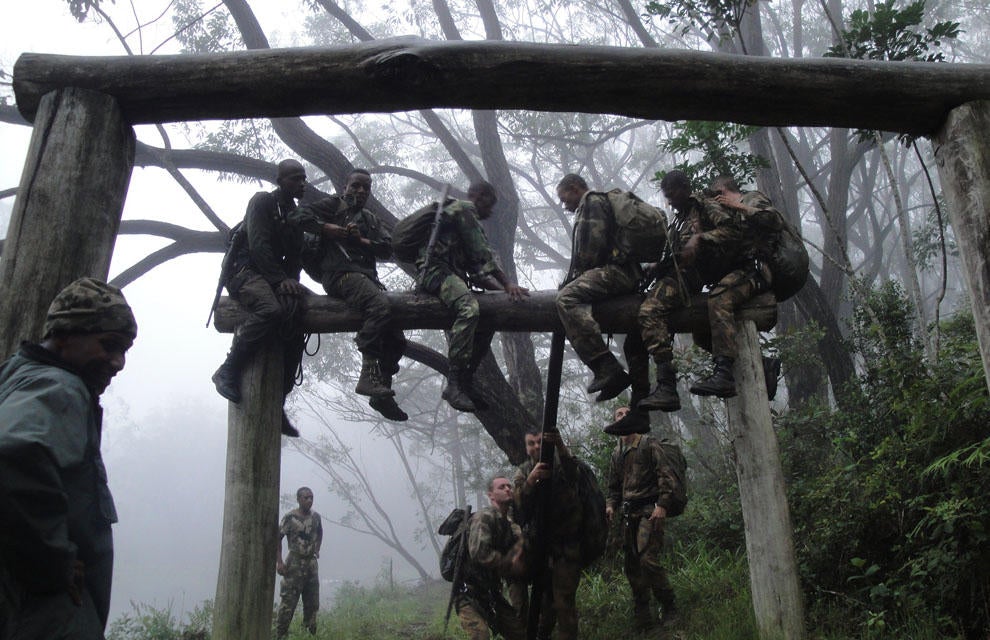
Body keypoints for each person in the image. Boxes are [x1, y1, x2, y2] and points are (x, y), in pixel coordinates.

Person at [0, 277, 137, 640]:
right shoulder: (60, 388)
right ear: (64, 335)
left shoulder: (18, 374)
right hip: (39, 613)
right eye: (108, 345)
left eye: (125, 350)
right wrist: (55, 561)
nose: (118, 362)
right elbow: (14, 453)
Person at [289, 168, 408, 421]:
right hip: (338, 274)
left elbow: (388, 248)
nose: (361, 191)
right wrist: (327, 228)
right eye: (356, 186)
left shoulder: (370, 219)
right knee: (379, 307)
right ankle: (367, 375)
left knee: (397, 338)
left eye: (366, 187)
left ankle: (381, 394)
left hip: (366, 278)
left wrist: (361, 241)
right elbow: (297, 216)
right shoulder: (332, 205)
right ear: (346, 186)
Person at [637, 169, 760, 412]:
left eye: (673, 194)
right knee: (691, 330)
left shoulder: (704, 206)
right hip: (681, 274)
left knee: (649, 311)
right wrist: (656, 266)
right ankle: (760, 366)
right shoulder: (679, 218)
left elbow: (733, 232)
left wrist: (702, 238)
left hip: (694, 275)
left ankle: (667, 386)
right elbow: (677, 253)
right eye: (666, 196)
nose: (670, 201)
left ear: (685, 187)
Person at [211, 158, 310, 437]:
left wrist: (291, 284)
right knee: (271, 310)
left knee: (296, 318)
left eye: (304, 178)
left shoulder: (296, 216)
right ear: (280, 181)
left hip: (272, 276)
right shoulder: (262, 201)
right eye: (294, 178)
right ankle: (228, 370)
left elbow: (295, 258)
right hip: (245, 271)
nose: (301, 183)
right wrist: (280, 280)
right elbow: (258, 245)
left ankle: (278, 401)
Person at [415, 181, 528, 412]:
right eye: (490, 203)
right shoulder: (464, 210)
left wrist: (502, 291)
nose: (491, 210)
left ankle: (466, 382)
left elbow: (476, 271)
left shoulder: (460, 219)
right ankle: (454, 383)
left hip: (450, 275)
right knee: (469, 308)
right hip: (436, 273)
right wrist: (507, 283)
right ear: (480, 196)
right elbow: (483, 255)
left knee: (487, 321)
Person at [555, 174, 650, 407]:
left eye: (564, 197)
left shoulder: (592, 202)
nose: (563, 203)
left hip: (618, 272)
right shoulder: (591, 204)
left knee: (566, 299)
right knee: (569, 293)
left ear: (574, 188)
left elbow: (592, 250)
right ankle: (611, 376)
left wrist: (574, 281)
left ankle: (605, 366)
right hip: (618, 272)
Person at [605, 410, 680, 632]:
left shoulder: (648, 444)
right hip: (629, 515)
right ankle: (643, 615)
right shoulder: (616, 453)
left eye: (627, 413)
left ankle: (669, 606)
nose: (622, 415)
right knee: (632, 565)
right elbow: (613, 488)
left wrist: (663, 505)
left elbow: (666, 475)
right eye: (618, 414)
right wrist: (610, 506)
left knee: (647, 559)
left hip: (650, 510)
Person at [512, 430, 584, 640]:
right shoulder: (523, 471)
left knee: (564, 602)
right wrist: (531, 480)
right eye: (530, 443)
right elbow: (518, 507)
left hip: (566, 546)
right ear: (525, 448)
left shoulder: (561, 463)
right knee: (544, 603)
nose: (535, 447)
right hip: (538, 548)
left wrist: (560, 445)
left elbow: (574, 475)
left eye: (539, 443)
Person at [456, 476, 527, 640]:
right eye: (501, 487)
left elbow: (524, 545)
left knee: (520, 634)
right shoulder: (484, 517)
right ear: (491, 495)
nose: (508, 489)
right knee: (480, 636)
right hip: (469, 594)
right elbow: (479, 553)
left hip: (492, 594)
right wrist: (508, 563)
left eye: (509, 486)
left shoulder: (509, 524)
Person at [275, 486, 323, 639]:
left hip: (311, 564)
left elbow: (320, 532)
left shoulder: (316, 517)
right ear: (298, 499)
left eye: (311, 497)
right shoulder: (290, 518)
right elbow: (278, 538)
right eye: (305, 497)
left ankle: (309, 633)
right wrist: (280, 562)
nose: (309, 500)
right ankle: (281, 635)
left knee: (312, 603)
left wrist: (317, 548)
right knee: (288, 603)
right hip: (294, 563)